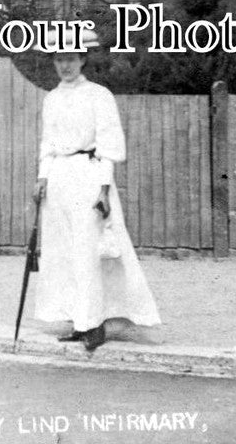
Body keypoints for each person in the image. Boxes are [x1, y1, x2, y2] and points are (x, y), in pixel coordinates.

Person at [31, 27, 160, 352]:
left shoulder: (99, 95)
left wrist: (104, 188)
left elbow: (108, 143)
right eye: (59, 59)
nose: (65, 65)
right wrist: (42, 177)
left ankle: (95, 324)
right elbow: (47, 143)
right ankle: (78, 320)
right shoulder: (52, 98)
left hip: (89, 178)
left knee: (90, 253)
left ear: (83, 59)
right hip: (59, 180)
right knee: (64, 254)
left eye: (71, 59)